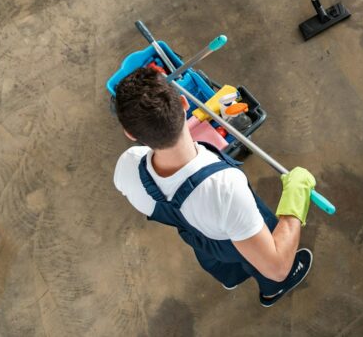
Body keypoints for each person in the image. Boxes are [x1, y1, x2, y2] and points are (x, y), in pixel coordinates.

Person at [112, 67, 315, 306]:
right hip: (227, 232)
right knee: (260, 255)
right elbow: (277, 266)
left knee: (214, 250)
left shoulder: (128, 165)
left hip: (199, 235)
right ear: (184, 103)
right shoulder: (225, 188)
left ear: (130, 134)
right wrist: (296, 197)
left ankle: (231, 276)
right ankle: (272, 291)